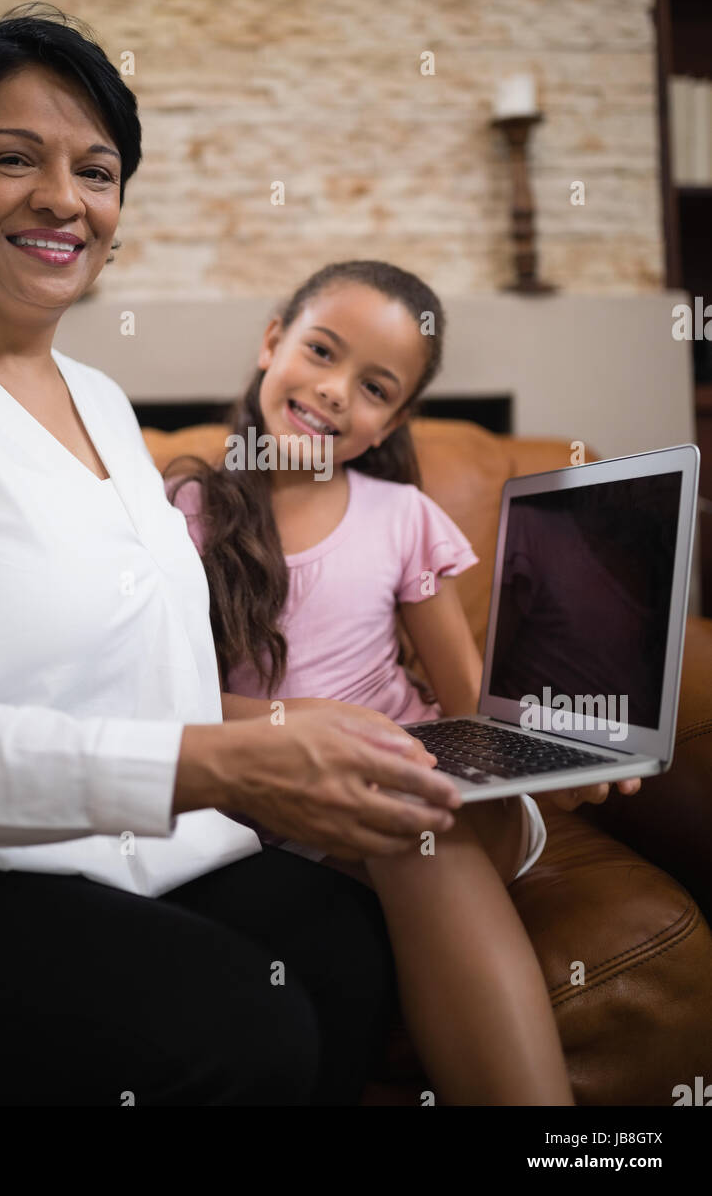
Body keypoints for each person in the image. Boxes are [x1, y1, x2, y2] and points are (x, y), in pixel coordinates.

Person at [0, 5, 465, 1107]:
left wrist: (284, 728)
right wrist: (225, 766)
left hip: (123, 852)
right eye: (9, 159)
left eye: (95, 169)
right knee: (243, 1022)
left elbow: (145, 687)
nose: (61, 197)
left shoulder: (100, 400)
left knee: (338, 947)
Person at [165, 260, 644, 1105]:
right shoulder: (188, 514)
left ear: (393, 419)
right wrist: (295, 723)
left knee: (411, 817)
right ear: (273, 340)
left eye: (376, 386)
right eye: (320, 351)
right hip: (284, 800)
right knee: (391, 813)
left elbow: (469, 706)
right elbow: (170, 695)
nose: (336, 391)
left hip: (433, 782)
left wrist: (554, 757)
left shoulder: (403, 518)